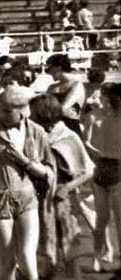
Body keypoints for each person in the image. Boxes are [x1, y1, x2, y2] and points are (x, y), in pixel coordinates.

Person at [0, 84, 55, 280]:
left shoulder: (36, 132)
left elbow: (48, 172)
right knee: (9, 263)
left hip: (28, 199)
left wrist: (25, 161)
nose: (0, 114)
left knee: (29, 260)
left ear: (22, 111)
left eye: (6, 110)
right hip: (0, 201)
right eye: (0, 109)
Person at [30, 94, 94, 280]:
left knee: (69, 251)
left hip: (64, 200)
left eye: (34, 114)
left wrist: (67, 188)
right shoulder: (38, 135)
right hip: (42, 199)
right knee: (47, 250)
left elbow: (89, 170)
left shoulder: (68, 137)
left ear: (44, 115)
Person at [82, 83, 121, 276]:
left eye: (106, 99)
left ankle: (109, 261)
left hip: (112, 168)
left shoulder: (109, 119)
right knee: (102, 220)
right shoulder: (103, 118)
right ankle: (98, 259)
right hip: (105, 169)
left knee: (114, 221)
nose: (102, 102)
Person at [46, 54, 85, 135]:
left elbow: (63, 108)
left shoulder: (76, 85)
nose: (48, 72)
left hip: (70, 127)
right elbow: (44, 107)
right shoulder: (52, 87)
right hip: (53, 128)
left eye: (50, 68)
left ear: (58, 68)